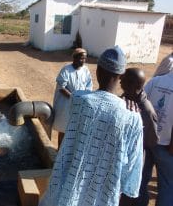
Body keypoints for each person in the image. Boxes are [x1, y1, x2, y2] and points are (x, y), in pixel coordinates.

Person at [39, 46, 143, 206]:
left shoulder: (79, 100)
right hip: (102, 193)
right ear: (120, 76)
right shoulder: (133, 117)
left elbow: (83, 96)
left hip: (68, 189)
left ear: (97, 71)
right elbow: (132, 165)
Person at [119, 68, 158, 206]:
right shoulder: (123, 99)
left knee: (135, 194)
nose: (120, 80)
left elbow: (152, 141)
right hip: (120, 160)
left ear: (134, 85)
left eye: (124, 79)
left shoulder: (146, 111)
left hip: (136, 162)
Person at [136, 69, 173, 206]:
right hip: (167, 146)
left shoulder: (156, 81)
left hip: (146, 141)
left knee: (140, 180)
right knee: (168, 186)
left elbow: (139, 102)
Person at [52, 48, 92, 147]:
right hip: (66, 104)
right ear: (74, 58)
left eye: (85, 59)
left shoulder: (85, 70)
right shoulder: (66, 69)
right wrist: (73, 97)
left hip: (80, 103)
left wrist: (84, 98)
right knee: (64, 129)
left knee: (76, 129)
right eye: (81, 58)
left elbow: (89, 85)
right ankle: (59, 150)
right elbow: (61, 87)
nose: (83, 61)